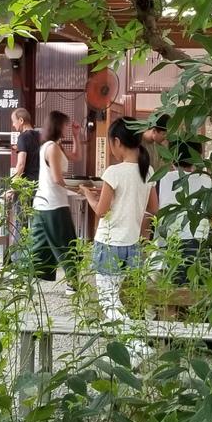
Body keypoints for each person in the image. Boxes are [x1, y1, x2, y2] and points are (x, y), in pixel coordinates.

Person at [79, 117, 159, 320]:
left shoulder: (113, 172)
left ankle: (130, 337)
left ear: (117, 141)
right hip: (131, 243)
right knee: (120, 297)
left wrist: (88, 195)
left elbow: (101, 211)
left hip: (109, 243)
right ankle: (129, 334)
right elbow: (153, 207)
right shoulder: (148, 171)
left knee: (109, 300)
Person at [28, 110, 83, 283]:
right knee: (67, 244)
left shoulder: (54, 146)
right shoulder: (52, 147)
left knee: (39, 245)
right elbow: (57, 178)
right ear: (58, 125)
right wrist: (78, 190)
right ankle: (73, 283)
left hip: (44, 203)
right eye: (66, 124)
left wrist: (76, 135)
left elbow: (76, 156)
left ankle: (26, 281)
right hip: (53, 203)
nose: (67, 127)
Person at [157, 139, 212, 284]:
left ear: (171, 155)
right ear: (198, 156)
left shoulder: (161, 180)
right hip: (199, 241)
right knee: (199, 290)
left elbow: (154, 210)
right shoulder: (207, 181)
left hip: (170, 241)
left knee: (172, 290)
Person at [5, 108, 39, 256]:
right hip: (40, 186)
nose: (13, 125)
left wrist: (12, 187)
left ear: (21, 120)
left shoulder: (23, 137)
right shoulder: (40, 136)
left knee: (21, 223)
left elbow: (20, 164)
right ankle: (34, 258)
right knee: (36, 224)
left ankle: (18, 260)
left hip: (25, 187)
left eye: (14, 122)